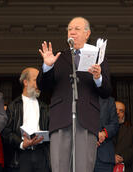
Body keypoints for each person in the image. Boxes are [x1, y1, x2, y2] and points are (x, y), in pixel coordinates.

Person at [37, 16, 112, 172]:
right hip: (61, 119)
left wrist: (98, 78)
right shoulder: (58, 57)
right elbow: (43, 87)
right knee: (59, 166)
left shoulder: (98, 56)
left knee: (84, 166)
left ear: (87, 33)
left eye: (77, 29)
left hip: (86, 119)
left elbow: (106, 91)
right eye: (70, 29)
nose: (72, 32)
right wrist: (47, 67)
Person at [2, 67, 50, 172]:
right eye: (35, 80)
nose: (38, 83)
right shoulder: (13, 106)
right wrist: (21, 143)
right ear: (25, 82)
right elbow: (6, 132)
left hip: (41, 155)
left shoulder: (45, 107)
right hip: (20, 155)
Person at [113, 101, 133, 172]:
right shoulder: (100, 130)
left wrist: (121, 157)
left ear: (124, 115)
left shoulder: (132, 131)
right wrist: (110, 157)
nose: (117, 112)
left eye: (121, 111)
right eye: (115, 109)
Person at [94, 97, 119, 172]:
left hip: (104, 156)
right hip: (82, 154)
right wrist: (92, 137)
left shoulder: (109, 100)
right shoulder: (78, 96)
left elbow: (115, 124)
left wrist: (104, 133)